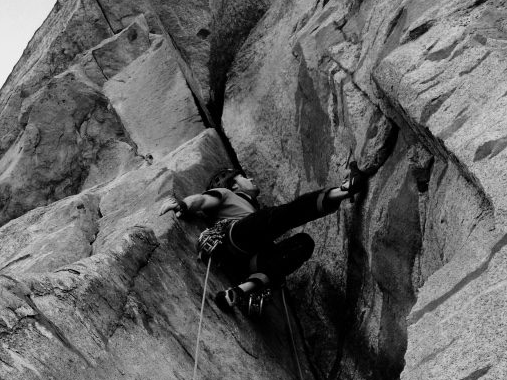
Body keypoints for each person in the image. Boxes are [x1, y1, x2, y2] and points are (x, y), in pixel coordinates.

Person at [160, 122, 398, 315]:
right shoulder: (226, 194)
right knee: (283, 215)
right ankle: (345, 189)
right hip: (238, 233)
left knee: (303, 243)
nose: (251, 178)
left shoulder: (250, 206)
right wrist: (181, 204)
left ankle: (241, 291)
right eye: (244, 177)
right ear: (232, 184)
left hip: (250, 257)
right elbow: (201, 201)